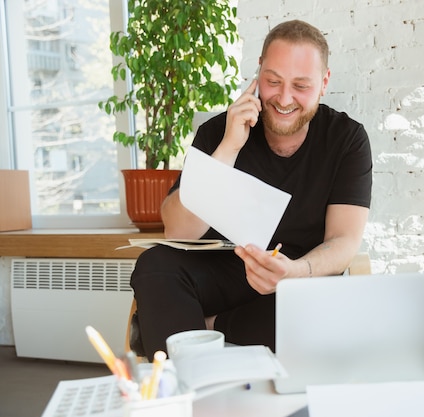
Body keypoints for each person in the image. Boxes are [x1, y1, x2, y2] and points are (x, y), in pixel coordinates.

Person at [130, 19, 372, 359]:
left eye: (301, 85)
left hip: (295, 277)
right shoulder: (220, 131)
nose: (284, 98)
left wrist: (295, 272)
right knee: (156, 264)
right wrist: (229, 148)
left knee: (333, 316)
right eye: (273, 81)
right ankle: (189, 395)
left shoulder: (346, 139)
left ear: (324, 83)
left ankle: (206, 327)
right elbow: (178, 229)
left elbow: (344, 240)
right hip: (223, 271)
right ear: (258, 73)